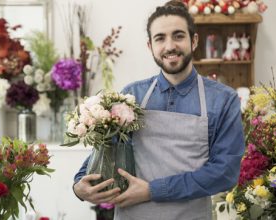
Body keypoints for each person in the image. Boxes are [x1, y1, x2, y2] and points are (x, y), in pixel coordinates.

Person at [73, 1, 245, 219]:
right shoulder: (131, 95)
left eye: (178, 36)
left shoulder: (223, 99)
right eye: (160, 38)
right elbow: (106, 150)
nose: (170, 45)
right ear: (150, 46)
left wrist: (152, 191)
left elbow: (225, 173)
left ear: (194, 41)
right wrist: (79, 184)